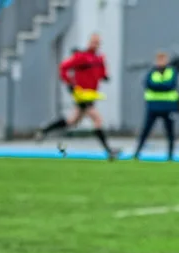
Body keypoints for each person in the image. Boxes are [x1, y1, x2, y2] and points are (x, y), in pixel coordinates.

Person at [36, 33, 119, 161]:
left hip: (91, 94)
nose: (95, 45)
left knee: (72, 121)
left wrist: (104, 76)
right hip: (82, 94)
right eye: (93, 42)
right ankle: (108, 150)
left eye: (97, 43)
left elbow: (100, 73)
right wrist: (69, 82)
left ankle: (45, 130)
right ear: (89, 42)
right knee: (97, 119)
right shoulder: (82, 57)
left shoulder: (99, 58)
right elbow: (64, 67)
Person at [132, 52, 179, 162]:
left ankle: (170, 155)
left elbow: (171, 85)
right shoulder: (151, 72)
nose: (161, 62)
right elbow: (149, 84)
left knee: (170, 132)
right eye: (159, 59)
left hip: (168, 106)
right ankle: (137, 153)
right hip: (153, 106)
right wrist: (163, 85)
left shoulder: (171, 71)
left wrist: (158, 86)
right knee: (146, 130)